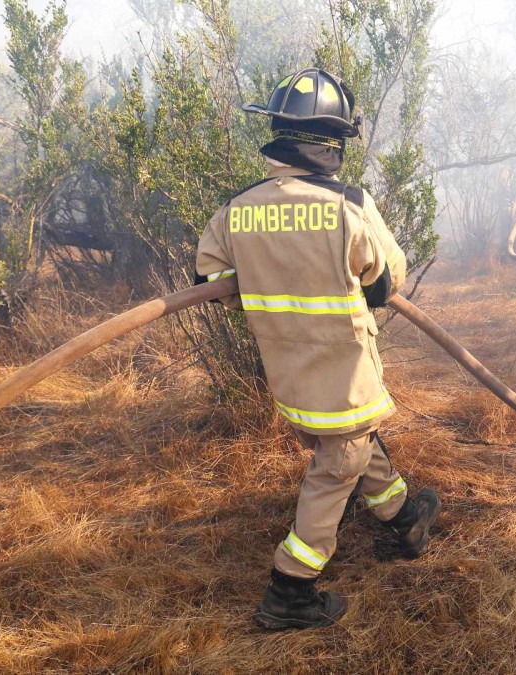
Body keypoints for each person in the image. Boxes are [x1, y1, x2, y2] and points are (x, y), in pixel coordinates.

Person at [193, 67, 442, 631]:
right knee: (335, 471)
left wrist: (266, 289)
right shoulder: (347, 204)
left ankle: (404, 519)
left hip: (292, 384)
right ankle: (291, 589)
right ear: (331, 143)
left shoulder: (239, 208)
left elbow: (210, 278)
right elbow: (384, 283)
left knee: (350, 448)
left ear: (279, 134)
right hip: (345, 378)